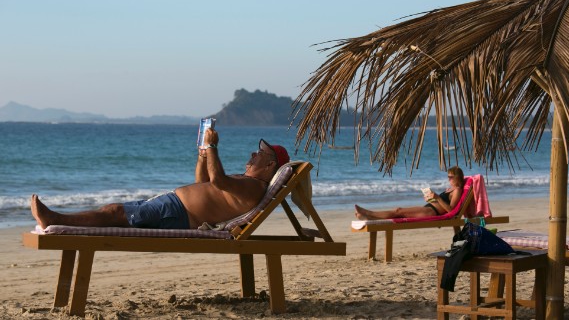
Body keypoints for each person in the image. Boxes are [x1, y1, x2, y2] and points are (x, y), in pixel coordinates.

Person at [30, 128, 290, 230]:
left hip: (177, 213)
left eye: (260, 153)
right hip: (173, 206)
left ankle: (56, 220)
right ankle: (58, 219)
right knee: (115, 212)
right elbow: (205, 183)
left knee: (115, 212)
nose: (253, 154)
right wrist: (202, 156)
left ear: (270, 165)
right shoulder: (245, 182)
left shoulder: (254, 187)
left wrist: (212, 148)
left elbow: (218, 181)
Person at [354, 166, 465, 220]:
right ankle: (370, 216)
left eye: (451, 177)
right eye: (448, 176)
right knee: (399, 212)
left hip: (431, 212)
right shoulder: (450, 189)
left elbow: (452, 211)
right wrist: (432, 199)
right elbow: (442, 203)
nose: (448, 179)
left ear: (457, 177)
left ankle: (368, 214)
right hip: (429, 208)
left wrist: (438, 198)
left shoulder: (457, 190)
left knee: (398, 211)